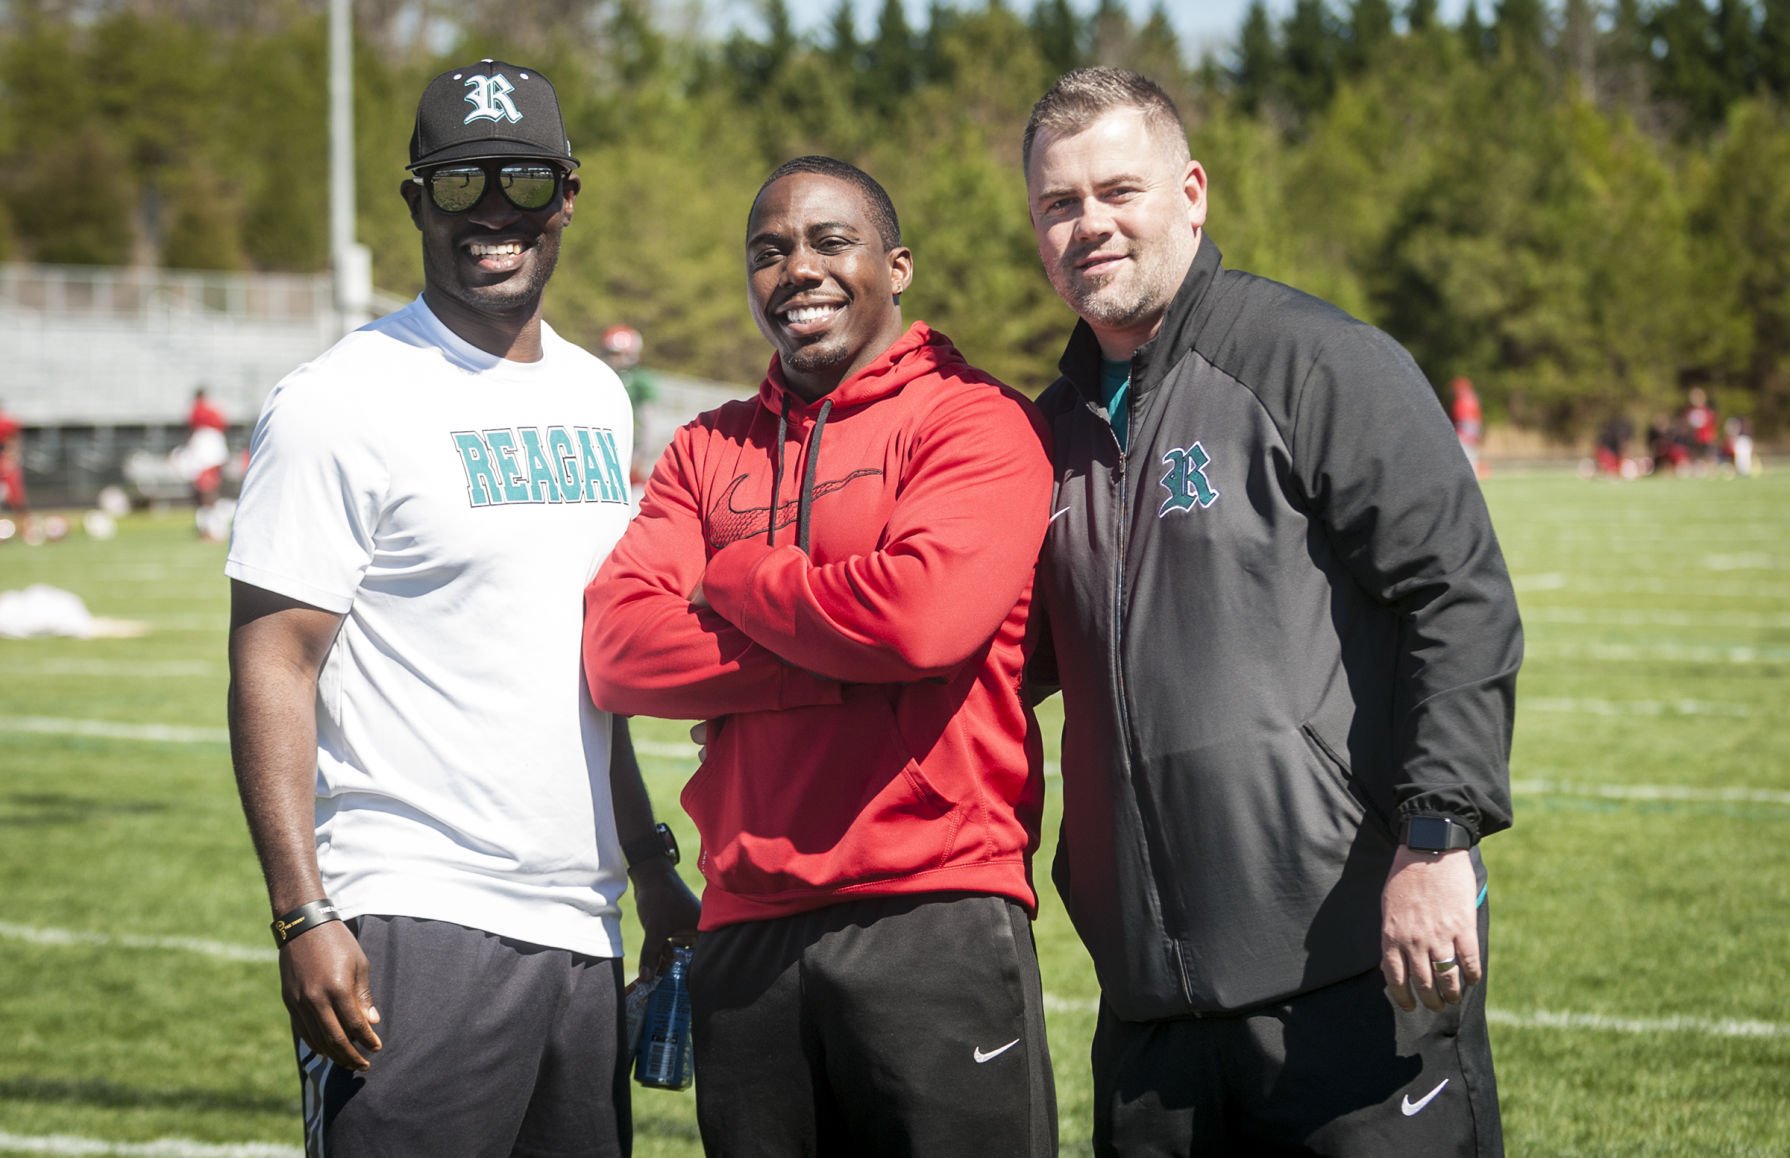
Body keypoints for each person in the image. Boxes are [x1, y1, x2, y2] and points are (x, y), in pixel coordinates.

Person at [1020, 68, 1522, 1155]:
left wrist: (1437, 841)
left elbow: (1457, 594)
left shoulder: (1311, 360)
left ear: (1189, 193)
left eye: (1118, 190)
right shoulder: (1043, 433)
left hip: (1346, 973)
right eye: (1059, 204)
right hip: (1148, 1010)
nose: (1089, 225)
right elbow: (985, 663)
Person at [224, 58, 699, 1158]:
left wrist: (649, 863)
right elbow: (275, 663)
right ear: (413, 202)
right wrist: (302, 912)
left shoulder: (591, 395)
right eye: (459, 183)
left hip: (579, 924)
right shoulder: (338, 400)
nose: (494, 212)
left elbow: (584, 663)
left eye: (524, 183)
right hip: (413, 916)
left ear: (568, 195)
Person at [583, 155, 1058, 1156]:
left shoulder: (972, 418)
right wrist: (846, 660)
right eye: (769, 251)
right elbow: (617, 649)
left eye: (830, 242)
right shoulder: (706, 447)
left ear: (896, 266)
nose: (797, 268)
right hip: (745, 927)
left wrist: (736, 578)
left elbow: (922, 622)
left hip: (933, 906)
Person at [179, 387, 231, 539]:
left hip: (206, 448)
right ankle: (210, 526)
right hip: (212, 447)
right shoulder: (213, 409)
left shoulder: (199, 410)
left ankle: (214, 527)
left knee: (206, 489)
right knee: (206, 490)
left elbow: (191, 429)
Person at [1449, 375, 1485, 477]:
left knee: (1468, 453)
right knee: (1469, 453)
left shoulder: (1466, 399)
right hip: (1468, 429)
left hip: (1467, 429)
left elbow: (1469, 419)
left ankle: (1472, 475)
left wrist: (1467, 433)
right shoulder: (1470, 398)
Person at [0, 400, 27, 516]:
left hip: (4, 459)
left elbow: (14, 442)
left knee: (15, 494)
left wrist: (11, 459)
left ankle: (25, 524)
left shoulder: (6, 422)